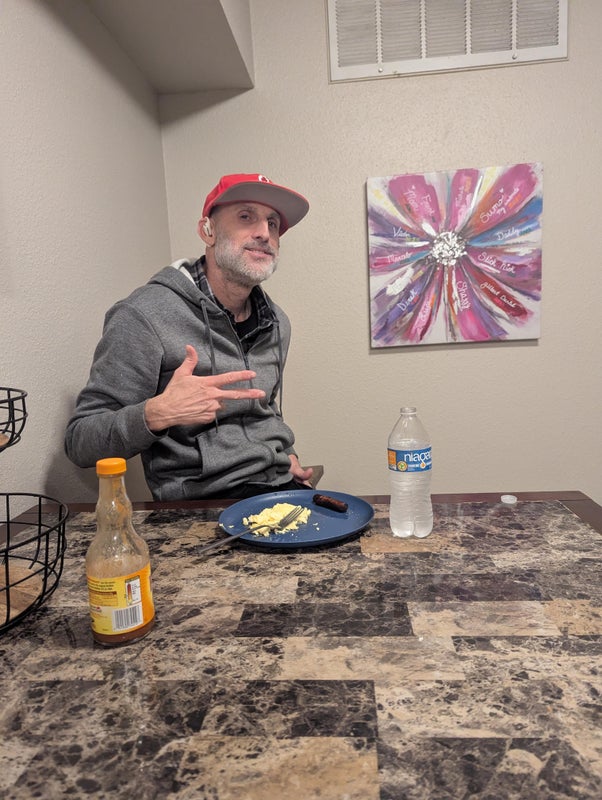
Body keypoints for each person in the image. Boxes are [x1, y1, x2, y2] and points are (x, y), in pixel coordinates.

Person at [65, 173, 314, 500]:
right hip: (201, 506)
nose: (264, 233)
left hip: (280, 486)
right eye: (245, 216)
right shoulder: (144, 315)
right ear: (207, 231)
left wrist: (287, 454)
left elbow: (264, 409)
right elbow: (80, 442)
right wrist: (157, 413)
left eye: (273, 223)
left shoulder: (277, 323)